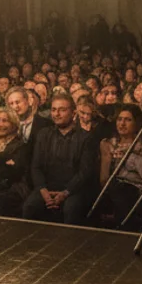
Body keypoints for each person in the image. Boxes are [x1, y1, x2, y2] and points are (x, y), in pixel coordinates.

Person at [22, 93, 99, 225]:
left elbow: (84, 172)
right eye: (53, 110)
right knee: (30, 207)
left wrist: (65, 193)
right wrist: (43, 190)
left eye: (62, 110)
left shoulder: (86, 138)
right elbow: (36, 166)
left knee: (71, 209)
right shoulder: (44, 134)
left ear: (73, 113)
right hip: (47, 188)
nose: (57, 114)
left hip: (74, 189)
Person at [97, 103, 142, 229]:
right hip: (116, 188)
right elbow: (104, 178)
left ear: (136, 123)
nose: (122, 124)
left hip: (141, 188)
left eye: (128, 120)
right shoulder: (108, 144)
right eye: (120, 119)